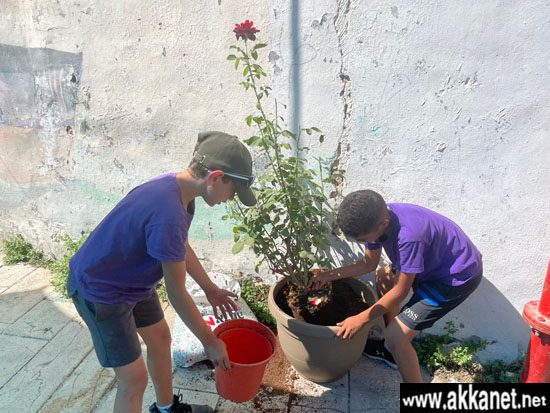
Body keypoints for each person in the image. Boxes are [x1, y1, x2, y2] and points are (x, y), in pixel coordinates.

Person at [67, 131, 256, 412]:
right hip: (101, 291)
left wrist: (210, 289)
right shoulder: (169, 213)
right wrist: (210, 342)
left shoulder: (177, 189)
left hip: (133, 282)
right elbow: (176, 294)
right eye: (234, 191)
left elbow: (179, 244)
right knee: (133, 380)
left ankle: (166, 409)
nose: (231, 199)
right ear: (216, 178)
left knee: (160, 339)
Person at [308, 189, 482, 383]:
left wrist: (361, 319)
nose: (363, 243)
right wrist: (327, 275)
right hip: (431, 265)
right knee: (384, 277)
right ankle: (392, 352)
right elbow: (368, 264)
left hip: (453, 278)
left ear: (383, 223)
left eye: (364, 240)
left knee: (395, 338)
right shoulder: (378, 217)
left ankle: (399, 356)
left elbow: (400, 291)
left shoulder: (408, 237)